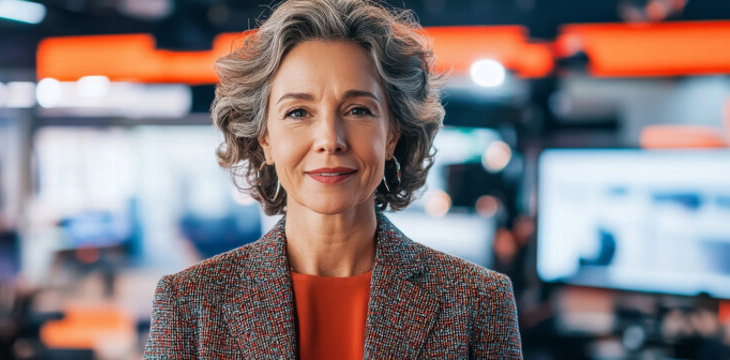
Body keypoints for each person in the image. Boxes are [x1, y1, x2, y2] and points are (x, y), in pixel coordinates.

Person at [143, 0, 522, 358]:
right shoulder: (189, 303)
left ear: (392, 134)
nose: (330, 139)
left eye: (358, 110)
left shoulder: (478, 301)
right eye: (298, 112)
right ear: (265, 138)